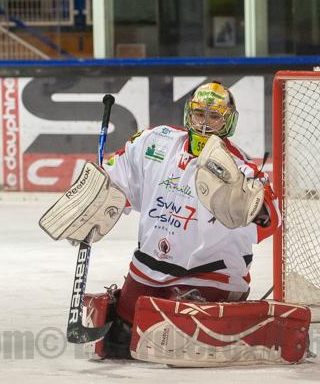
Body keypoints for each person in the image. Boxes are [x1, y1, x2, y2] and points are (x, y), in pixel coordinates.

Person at [41, 82, 280, 360]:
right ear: (189, 114)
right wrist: (95, 199)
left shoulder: (242, 171)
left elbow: (271, 221)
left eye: (214, 116)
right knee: (119, 341)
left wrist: (252, 207)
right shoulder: (155, 142)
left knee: (177, 338)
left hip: (209, 275)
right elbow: (116, 180)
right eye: (199, 114)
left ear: (228, 122)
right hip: (149, 267)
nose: (205, 124)